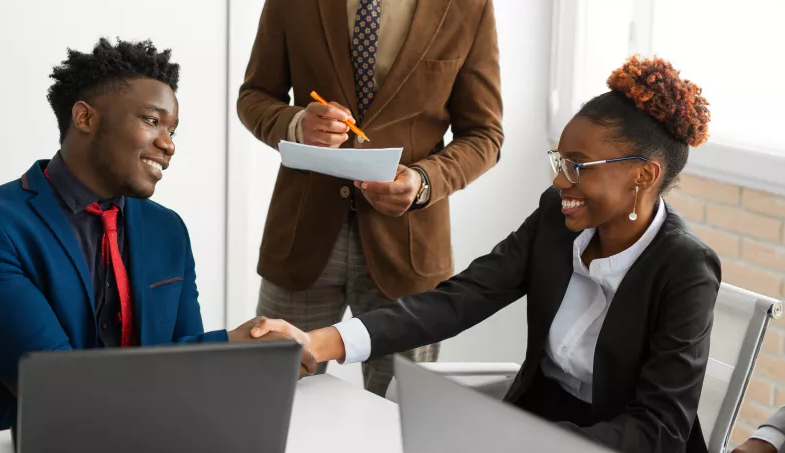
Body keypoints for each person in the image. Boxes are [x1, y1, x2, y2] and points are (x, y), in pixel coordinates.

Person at [255, 56, 720, 453]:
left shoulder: (686, 269)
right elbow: (460, 298)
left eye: (577, 166)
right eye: (559, 161)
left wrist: (533, 443)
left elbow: (660, 427)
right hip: (532, 426)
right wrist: (319, 342)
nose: (560, 181)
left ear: (643, 175)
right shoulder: (556, 218)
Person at [237, 0, 503, 397]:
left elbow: (485, 135)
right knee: (274, 396)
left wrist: (424, 181)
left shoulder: (470, 7)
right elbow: (253, 96)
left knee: (401, 412)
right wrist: (295, 124)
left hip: (408, 253)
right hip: (302, 240)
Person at [0, 38, 315, 440]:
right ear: (84, 118)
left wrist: (243, 358)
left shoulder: (167, 229)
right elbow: (55, 394)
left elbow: (186, 362)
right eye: (152, 121)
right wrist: (227, 348)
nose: (168, 144)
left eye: (172, 130)